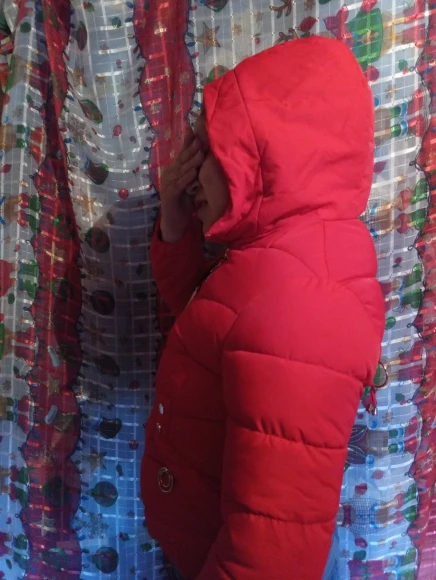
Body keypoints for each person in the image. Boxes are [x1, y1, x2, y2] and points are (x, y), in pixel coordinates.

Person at [141, 36, 385, 580]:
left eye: (210, 151)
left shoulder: (302, 307)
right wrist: (175, 227)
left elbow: (270, 558)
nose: (190, 172)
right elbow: (211, 329)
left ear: (265, 160)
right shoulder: (276, 259)